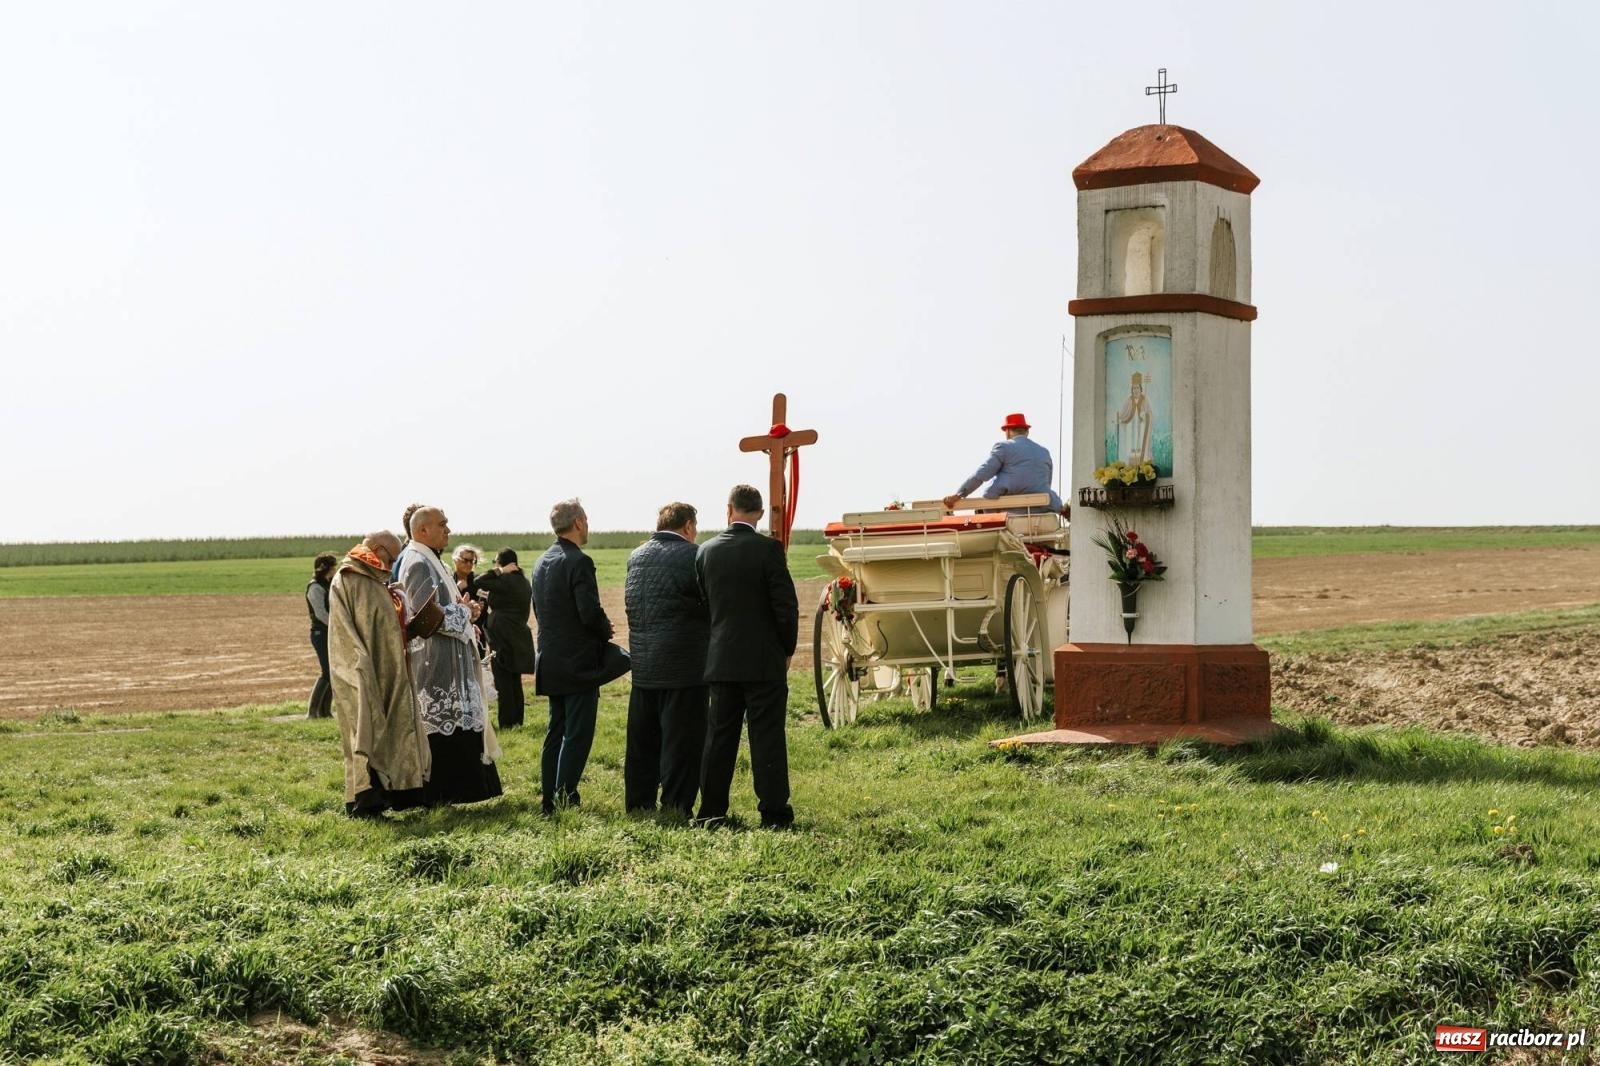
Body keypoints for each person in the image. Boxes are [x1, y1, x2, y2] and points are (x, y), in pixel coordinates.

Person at [695, 485, 799, 829]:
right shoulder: (769, 550)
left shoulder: (706, 552)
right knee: (767, 737)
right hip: (763, 659)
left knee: (718, 739)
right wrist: (787, 649)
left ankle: (711, 811)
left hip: (722, 658)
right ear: (759, 514)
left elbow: (706, 604)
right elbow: (786, 606)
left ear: (729, 510)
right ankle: (773, 813)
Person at [396, 506, 504, 806]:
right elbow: (423, 614)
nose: (448, 529)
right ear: (422, 531)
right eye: (442, 525)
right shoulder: (417, 562)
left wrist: (467, 611)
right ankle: (447, 793)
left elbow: (444, 605)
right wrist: (464, 612)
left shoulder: (431, 559)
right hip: (437, 661)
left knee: (463, 724)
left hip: (451, 657)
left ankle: (465, 790)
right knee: (445, 729)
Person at [531, 498, 630, 814]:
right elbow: (588, 612)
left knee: (555, 731)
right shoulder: (578, 561)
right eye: (586, 520)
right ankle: (565, 798)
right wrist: (606, 630)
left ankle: (550, 799)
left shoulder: (541, 561)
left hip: (550, 658)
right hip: (578, 662)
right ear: (578, 523)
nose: (587, 526)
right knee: (577, 734)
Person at [326, 531, 431, 817]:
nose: (393, 563)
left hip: (387, 667)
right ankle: (368, 796)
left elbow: (382, 622)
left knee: (389, 725)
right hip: (367, 668)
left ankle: (398, 791)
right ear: (377, 548)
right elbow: (364, 628)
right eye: (391, 556)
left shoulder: (370, 579)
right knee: (368, 726)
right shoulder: (353, 577)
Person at [623, 502, 710, 817]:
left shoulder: (636, 556)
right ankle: (675, 806)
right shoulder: (694, 555)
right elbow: (707, 602)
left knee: (643, 744)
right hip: (684, 664)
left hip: (644, 664)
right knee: (683, 744)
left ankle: (638, 803)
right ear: (688, 526)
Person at [942, 412, 1064, 513]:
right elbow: (1047, 482)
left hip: (1007, 513)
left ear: (1007, 431)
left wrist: (959, 495)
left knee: (983, 505)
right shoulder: (1044, 452)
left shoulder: (1004, 447)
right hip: (1039, 510)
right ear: (1027, 431)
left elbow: (982, 475)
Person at [474, 548, 536, 729]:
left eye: (496, 562)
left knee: (503, 680)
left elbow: (479, 580)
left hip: (502, 636)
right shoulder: (523, 582)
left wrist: (500, 571)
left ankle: (507, 723)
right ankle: (517, 720)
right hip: (517, 634)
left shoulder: (506, 580)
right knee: (514, 680)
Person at [305, 551, 338, 719]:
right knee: (326, 671)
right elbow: (320, 613)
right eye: (333, 567)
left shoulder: (327, 584)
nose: (335, 570)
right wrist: (337, 625)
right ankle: (312, 711)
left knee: (332, 671)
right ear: (326, 568)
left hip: (328, 632)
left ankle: (325, 711)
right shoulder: (315, 587)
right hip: (320, 633)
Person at [1114, 371, 1154, 466]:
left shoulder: (1145, 399)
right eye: (1134, 388)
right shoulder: (1129, 400)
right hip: (1130, 429)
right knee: (1130, 449)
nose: (1136, 390)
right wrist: (1119, 417)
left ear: (1141, 389)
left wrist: (1145, 415)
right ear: (1132, 390)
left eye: (1137, 388)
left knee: (1140, 448)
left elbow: (1150, 414)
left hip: (1141, 428)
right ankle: (1129, 466)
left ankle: (1142, 465)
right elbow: (1123, 414)